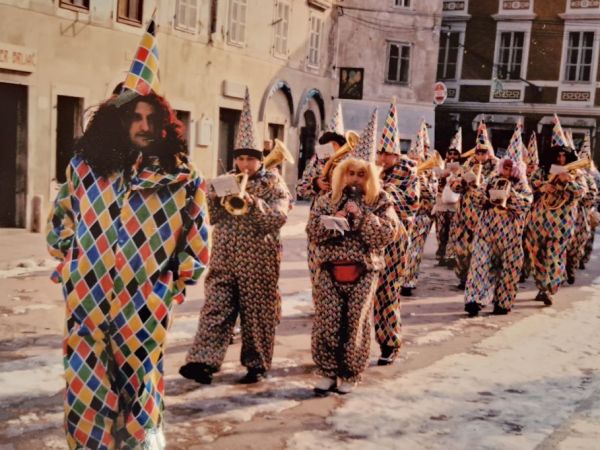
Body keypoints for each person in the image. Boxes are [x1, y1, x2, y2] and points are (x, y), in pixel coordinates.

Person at [47, 90, 210, 449]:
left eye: (152, 119)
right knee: (85, 393)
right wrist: (72, 266)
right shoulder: (85, 168)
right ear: (117, 121)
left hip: (144, 305)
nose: (145, 126)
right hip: (87, 301)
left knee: (143, 395)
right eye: (136, 117)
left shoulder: (181, 176)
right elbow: (60, 222)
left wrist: (170, 287)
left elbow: (197, 241)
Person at [180, 89, 289, 385]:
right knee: (216, 307)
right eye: (239, 158)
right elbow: (212, 218)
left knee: (257, 314)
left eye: (249, 160)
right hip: (225, 256)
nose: (243, 165)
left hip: (259, 259)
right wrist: (213, 197)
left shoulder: (273, 182)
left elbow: (278, 216)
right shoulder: (226, 179)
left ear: (260, 160)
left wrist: (254, 204)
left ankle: (257, 364)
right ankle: (203, 362)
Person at [308, 153, 400, 394]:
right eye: (351, 173)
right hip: (329, 268)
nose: (356, 179)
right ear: (342, 174)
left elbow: (387, 235)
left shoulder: (381, 200)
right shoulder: (327, 200)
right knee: (327, 320)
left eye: (362, 174)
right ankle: (327, 371)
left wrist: (361, 217)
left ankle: (351, 373)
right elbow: (312, 232)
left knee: (355, 324)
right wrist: (332, 221)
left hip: (364, 270)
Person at [464, 122, 533, 316]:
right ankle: (474, 300)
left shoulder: (523, 186)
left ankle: (502, 302)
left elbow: (525, 205)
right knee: (479, 265)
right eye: (505, 166)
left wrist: (509, 196)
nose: (507, 170)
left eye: (511, 167)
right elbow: (477, 200)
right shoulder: (491, 180)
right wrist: (475, 189)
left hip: (511, 237)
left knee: (509, 271)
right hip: (486, 232)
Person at [525, 116, 586, 305]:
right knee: (537, 255)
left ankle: (550, 288)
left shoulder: (576, 173)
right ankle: (541, 286)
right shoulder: (543, 170)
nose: (561, 158)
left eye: (564, 155)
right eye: (557, 155)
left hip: (562, 223)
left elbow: (582, 192)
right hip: (539, 221)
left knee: (556, 256)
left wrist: (567, 182)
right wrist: (543, 186)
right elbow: (530, 184)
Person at [374, 102, 414, 365]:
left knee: (388, 293)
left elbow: (412, 203)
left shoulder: (409, 171)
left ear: (396, 154)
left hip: (396, 241)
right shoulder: (370, 168)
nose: (381, 158)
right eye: (379, 153)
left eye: (386, 154)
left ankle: (390, 343)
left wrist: (383, 189)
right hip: (370, 239)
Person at [449, 121, 499, 290]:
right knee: (461, 249)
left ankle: (478, 279)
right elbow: (454, 183)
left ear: (489, 152)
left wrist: (479, 184)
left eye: (483, 152)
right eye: (478, 151)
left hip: (484, 216)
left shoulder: (496, 165)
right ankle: (463, 277)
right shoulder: (468, 163)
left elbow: (496, 186)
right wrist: (461, 183)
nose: (480, 155)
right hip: (464, 214)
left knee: (480, 250)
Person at [401, 121, 438, 296]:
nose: (415, 161)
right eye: (413, 158)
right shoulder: (403, 170)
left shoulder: (430, 174)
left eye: (418, 158)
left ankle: (408, 281)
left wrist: (420, 179)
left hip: (421, 217)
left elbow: (431, 197)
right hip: (403, 217)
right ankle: (399, 277)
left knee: (414, 250)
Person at [433, 128, 462, 267]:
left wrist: (456, 176)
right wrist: (442, 175)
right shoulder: (440, 167)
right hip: (441, 203)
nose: (452, 156)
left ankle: (451, 255)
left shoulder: (462, 169)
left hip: (455, 205)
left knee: (453, 230)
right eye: (450, 153)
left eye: (455, 154)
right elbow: (433, 182)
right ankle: (441, 254)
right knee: (441, 230)